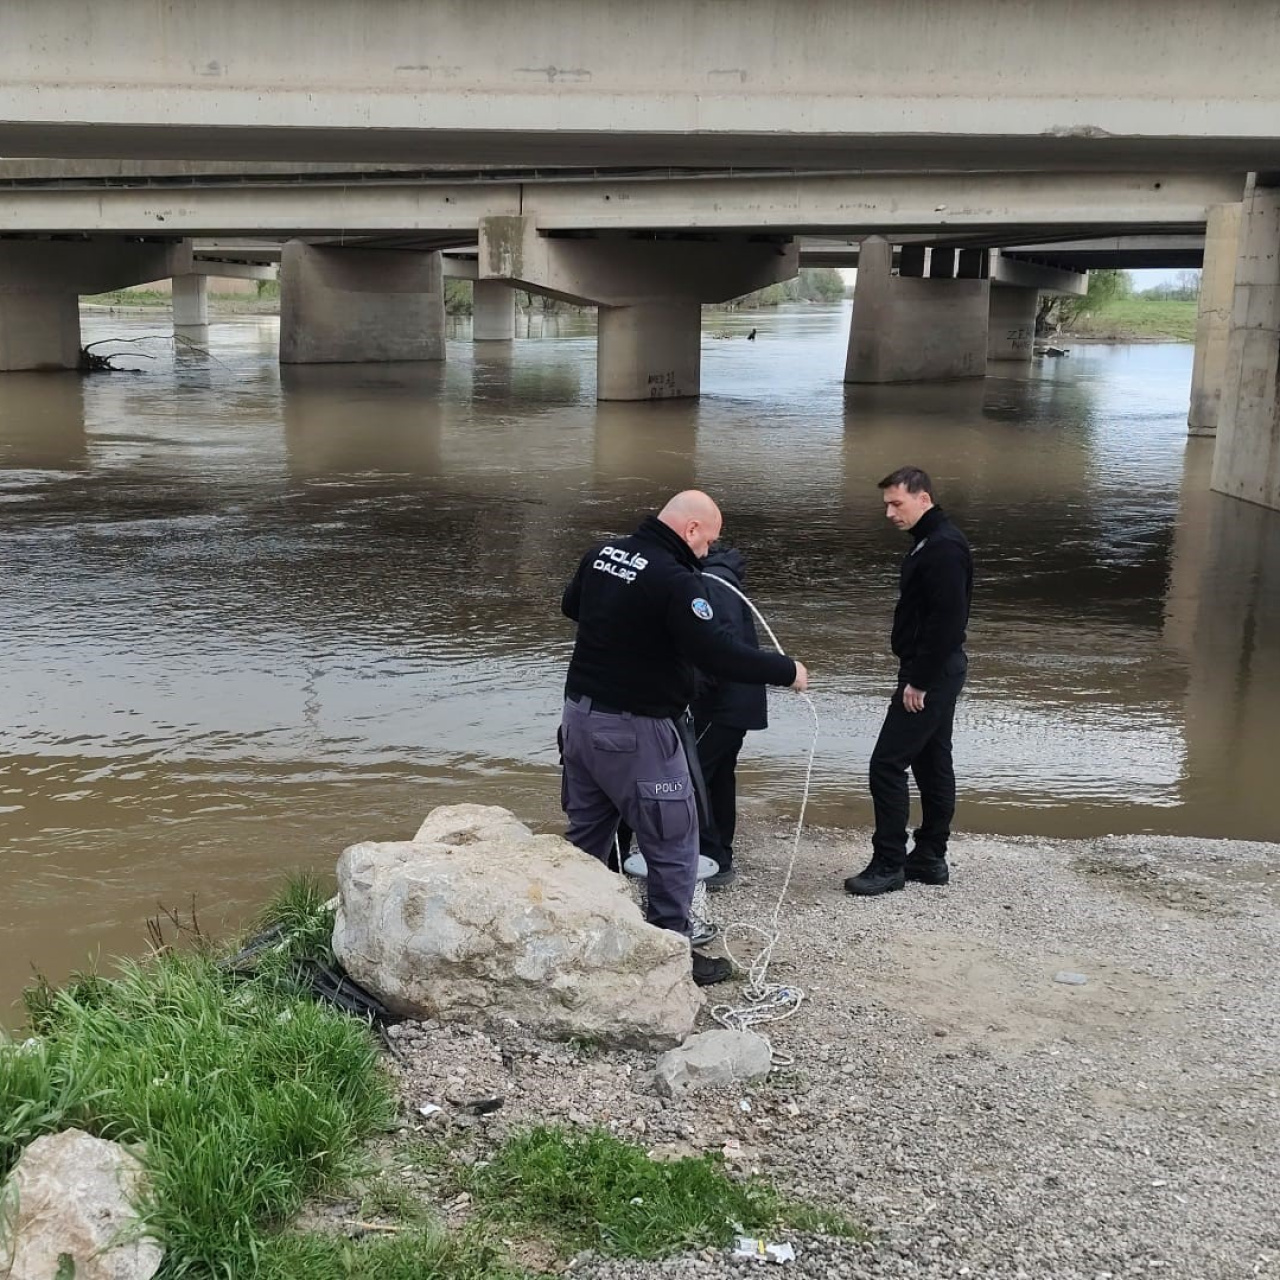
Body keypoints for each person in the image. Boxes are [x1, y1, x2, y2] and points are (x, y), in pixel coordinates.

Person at [560, 491, 808, 986]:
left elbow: (573, 607)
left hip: (579, 721)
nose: (707, 553)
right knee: (674, 844)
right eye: (708, 541)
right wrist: (787, 671)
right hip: (639, 730)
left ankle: (573, 940)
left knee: (585, 838)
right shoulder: (676, 581)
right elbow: (717, 653)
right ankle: (673, 955)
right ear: (691, 529)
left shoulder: (602, 554)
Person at [845, 466, 972, 897]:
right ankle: (930, 858)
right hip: (935, 667)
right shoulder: (931, 543)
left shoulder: (943, 548)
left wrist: (919, 680)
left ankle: (889, 864)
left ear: (923, 498)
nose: (889, 513)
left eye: (896, 503)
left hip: (930, 671)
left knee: (886, 764)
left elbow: (947, 623)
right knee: (932, 761)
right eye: (886, 504)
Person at [690, 546, 768, 891]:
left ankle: (710, 857)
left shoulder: (711, 584)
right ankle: (720, 855)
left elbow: (718, 649)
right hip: (736, 702)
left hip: (721, 704)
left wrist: (689, 689)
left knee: (692, 778)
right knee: (719, 776)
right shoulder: (722, 579)